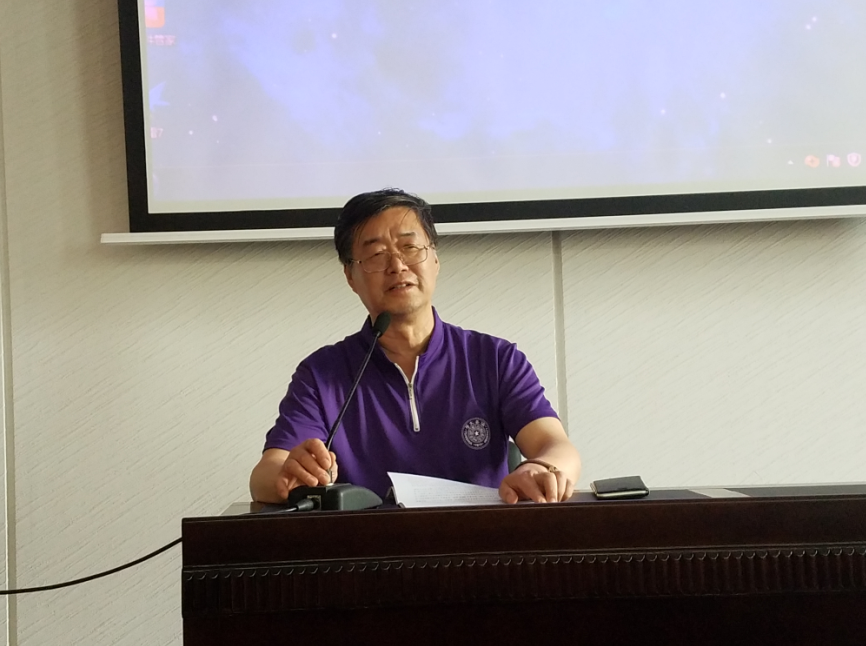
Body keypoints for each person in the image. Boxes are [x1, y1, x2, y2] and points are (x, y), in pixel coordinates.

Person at [249, 189, 581, 504]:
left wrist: (541, 469)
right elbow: (265, 475)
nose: (397, 265)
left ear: (434, 259)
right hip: (368, 545)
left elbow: (557, 447)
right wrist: (291, 473)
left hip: (482, 540)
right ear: (350, 276)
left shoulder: (495, 359)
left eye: (410, 247)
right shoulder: (322, 374)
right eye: (376, 254)